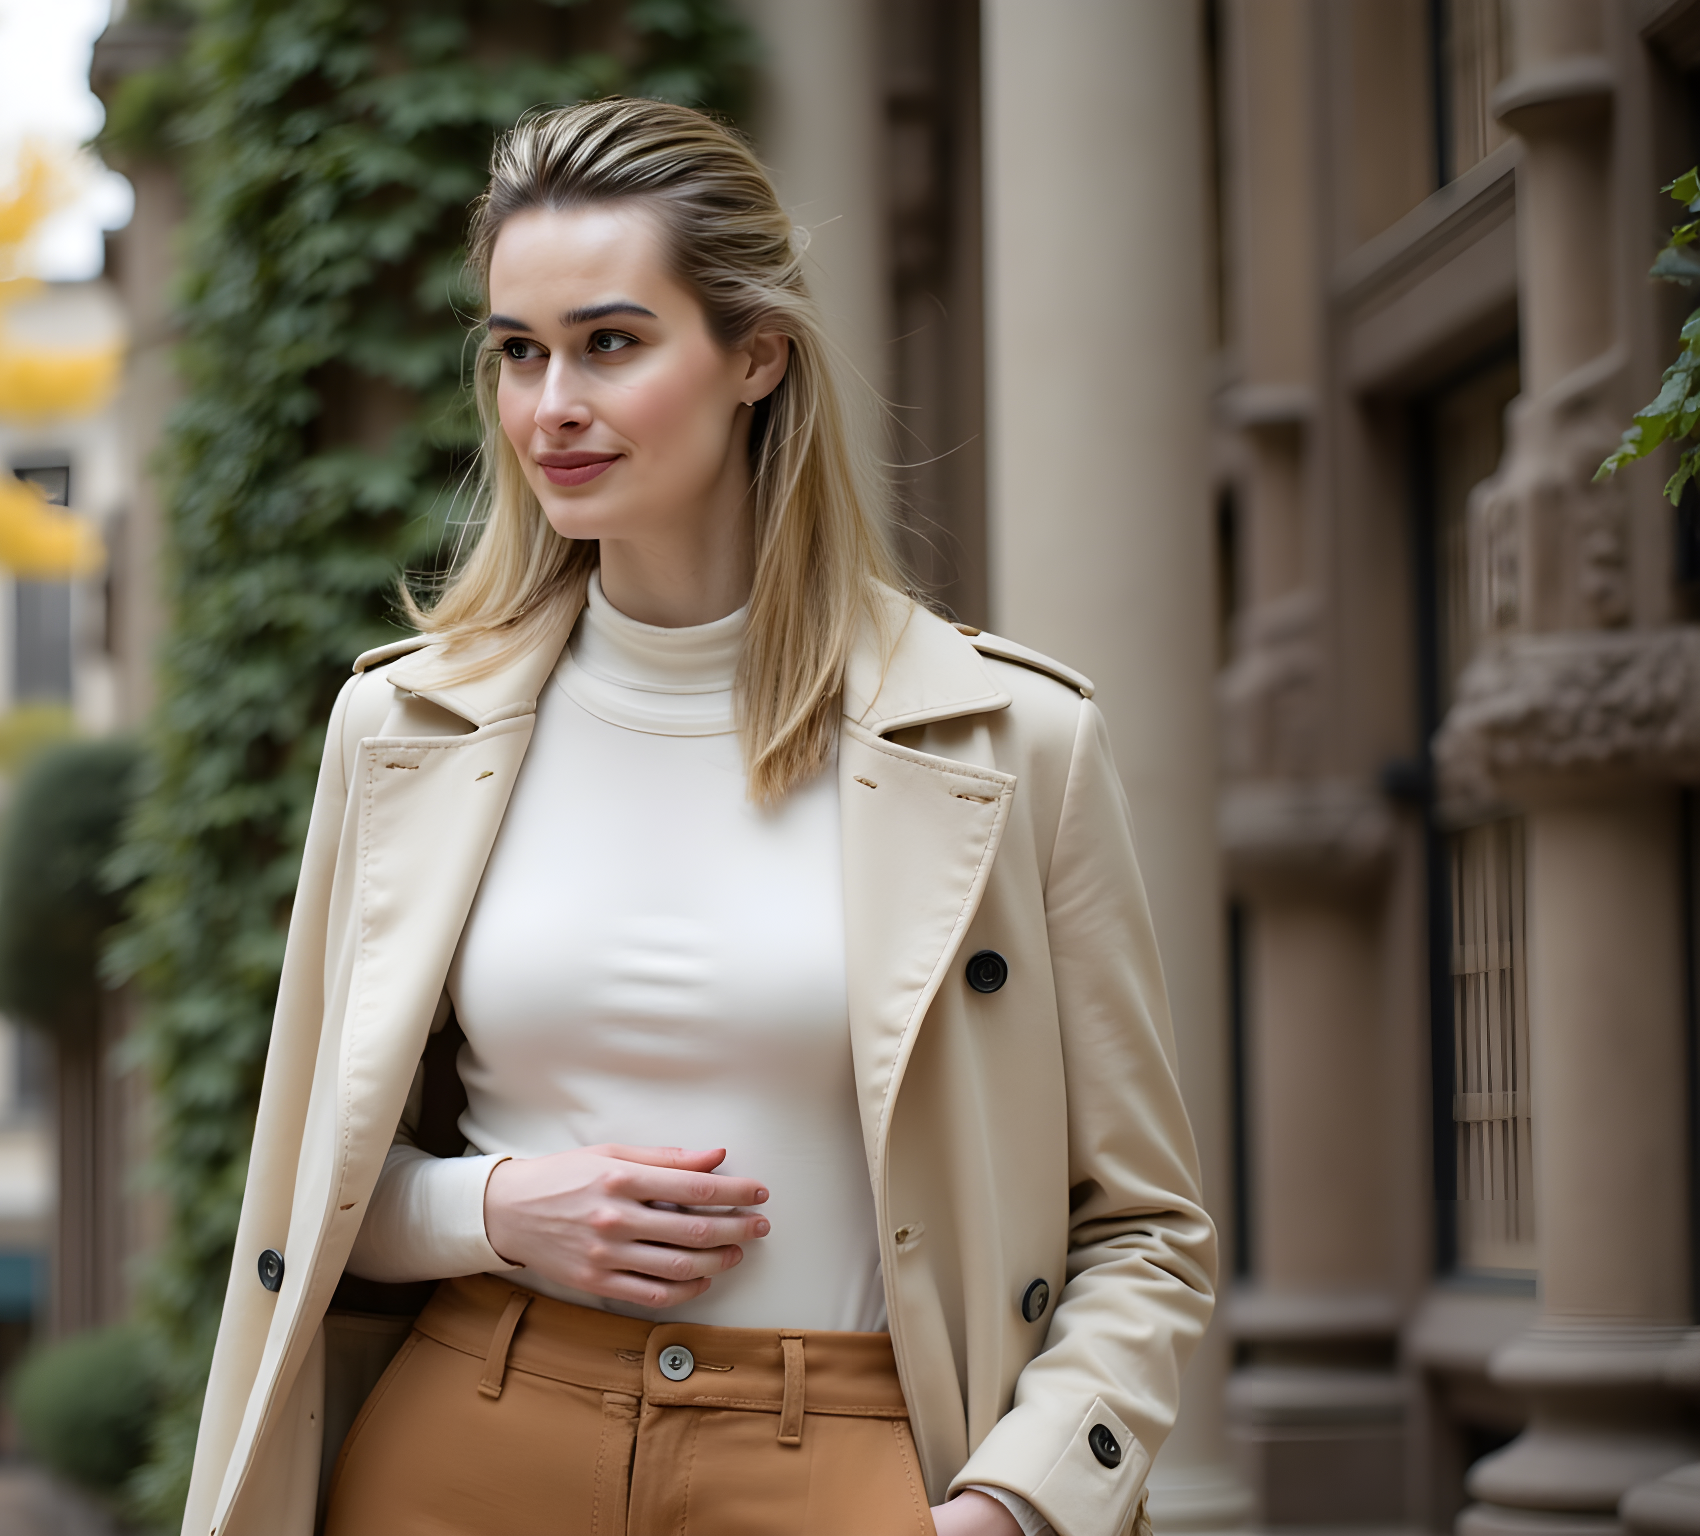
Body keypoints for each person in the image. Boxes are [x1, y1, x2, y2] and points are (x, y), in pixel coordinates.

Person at [179, 97, 1215, 1536]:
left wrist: (1017, 1505)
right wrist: (496, 1209)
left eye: (610, 342)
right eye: (518, 353)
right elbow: (314, 1188)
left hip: (850, 1455)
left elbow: (1147, 1231)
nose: (551, 405)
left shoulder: (1011, 742)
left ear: (756, 356)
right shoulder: (406, 732)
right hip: (467, 1449)